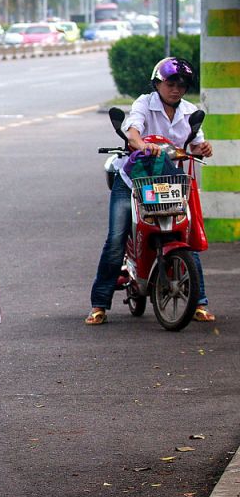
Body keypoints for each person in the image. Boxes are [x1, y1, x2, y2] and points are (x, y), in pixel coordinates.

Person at [85, 56, 215, 325]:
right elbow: (133, 133)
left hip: (169, 184)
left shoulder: (189, 111)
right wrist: (143, 145)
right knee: (116, 239)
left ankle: (199, 302)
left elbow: (193, 146)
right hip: (133, 182)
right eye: (170, 83)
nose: (176, 89)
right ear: (157, 84)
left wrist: (203, 148)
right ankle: (99, 304)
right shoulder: (144, 103)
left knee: (185, 235)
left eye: (182, 84)